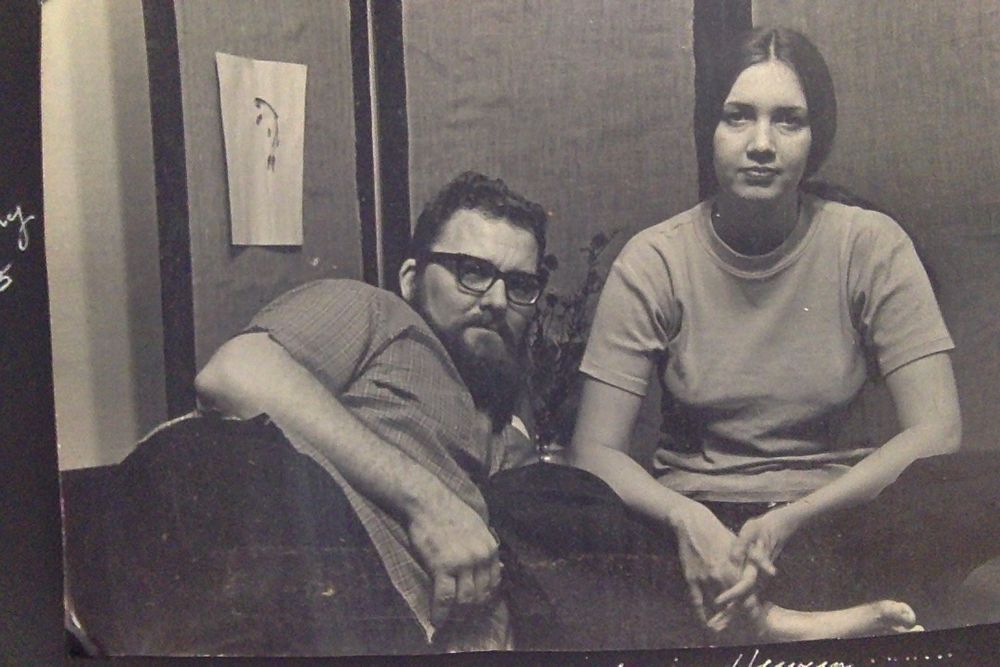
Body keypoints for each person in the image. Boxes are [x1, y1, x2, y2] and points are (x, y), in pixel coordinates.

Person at [486, 26, 1000, 648]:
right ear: (711, 130)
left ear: (817, 138)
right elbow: (596, 450)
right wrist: (687, 519)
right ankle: (790, 622)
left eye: (788, 121)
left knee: (980, 483)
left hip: (835, 520)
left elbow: (937, 428)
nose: (762, 144)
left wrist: (792, 519)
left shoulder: (869, 244)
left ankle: (743, 621)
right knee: (523, 496)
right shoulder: (656, 259)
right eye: (738, 118)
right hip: (695, 533)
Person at [63, 171, 548, 655]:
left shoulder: (508, 437)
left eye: (520, 283)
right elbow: (235, 374)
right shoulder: (377, 312)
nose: (497, 299)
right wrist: (430, 504)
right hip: (273, 526)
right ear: (411, 279)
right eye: (471, 271)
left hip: (375, 619)